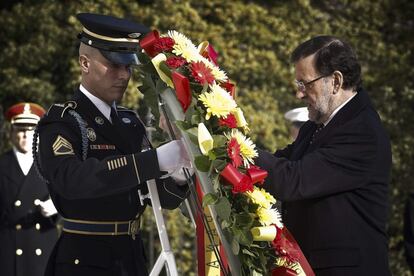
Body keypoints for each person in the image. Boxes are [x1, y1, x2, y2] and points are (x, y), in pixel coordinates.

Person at [35, 13, 191, 276]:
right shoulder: (62, 122)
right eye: (113, 65)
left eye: (127, 66)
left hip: (129, 259)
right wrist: (154, 161)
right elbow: (71, 180)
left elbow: (157, 197)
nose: (124, 75)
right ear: (85, 63)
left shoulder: (129, 122)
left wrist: (177, 176)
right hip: (85, 261)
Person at [255, 36, 391, 275]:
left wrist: (235, 147)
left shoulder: (362, 131)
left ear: (336, 81)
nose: (299, 94)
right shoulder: (317, 124)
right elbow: (280, 162)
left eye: (305, 84)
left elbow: (292, 180)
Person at [0, 102, 59, 276]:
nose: (26, 134)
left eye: (31, 129)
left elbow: (73, 200)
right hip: (8, 252)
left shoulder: (53, 165)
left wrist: (57, 207)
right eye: (20, 129)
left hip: (42, 248)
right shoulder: (1, 165)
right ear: (11, 133)